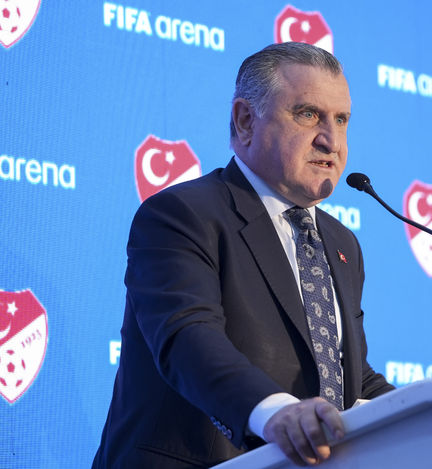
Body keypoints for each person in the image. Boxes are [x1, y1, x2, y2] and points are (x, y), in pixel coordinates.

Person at [92, 42, 394, 468]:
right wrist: (276, 414)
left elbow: (349, 374)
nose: (331, 140)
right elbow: (188, 337)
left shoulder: (341, 243)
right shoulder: (183, 215)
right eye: (309, 114)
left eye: (341, 120)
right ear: (246, 120)